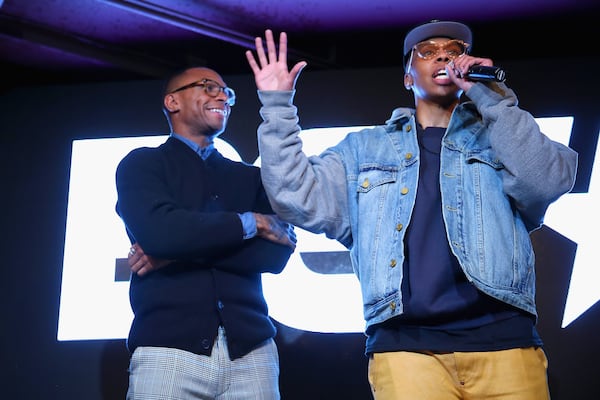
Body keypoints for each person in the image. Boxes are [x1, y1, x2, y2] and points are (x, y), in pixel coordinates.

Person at [245, 21, 578, 399]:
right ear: (407, 76)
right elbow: (294, 194)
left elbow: (547, 180)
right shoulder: (364, 149)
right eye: (427, 50)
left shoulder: (499, 138)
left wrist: (493, 97)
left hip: (505, 342)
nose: (442, 55)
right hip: (406, 350)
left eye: (454, 50)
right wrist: (276, 105)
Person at [115, 66, 296, 400]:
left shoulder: (250, 178)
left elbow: (276, 254)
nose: (222, 96)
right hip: (167, 352)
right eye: (208, 86)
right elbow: (159, 234)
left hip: (252, 353)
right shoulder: (143, 165)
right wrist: (251, 223)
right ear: (172, 101)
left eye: (227, 92)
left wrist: (171, 254)